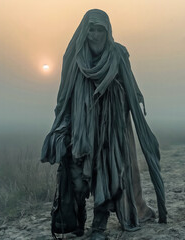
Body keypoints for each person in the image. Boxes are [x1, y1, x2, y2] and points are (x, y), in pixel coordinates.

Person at [41, 9, 167, 240]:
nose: (95, 34)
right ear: (84, 30)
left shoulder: (118, 53)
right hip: (80, 125)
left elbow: (129, 82)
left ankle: (98, 226)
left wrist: (131, 95)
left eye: (101, 29)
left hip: (111, 125)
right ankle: (77, 224)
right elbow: (64, 91)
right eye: (91, 29)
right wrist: (62, 120)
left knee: (109, 174)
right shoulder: (75, 56)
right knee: (76, 175)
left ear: (108, 30)